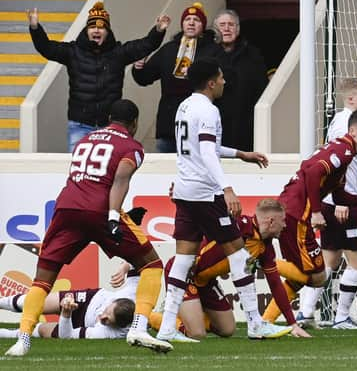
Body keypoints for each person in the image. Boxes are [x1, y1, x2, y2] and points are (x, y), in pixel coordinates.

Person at [4, 99, 172, 356]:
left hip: (66, 208)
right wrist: (114, 214)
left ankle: (23, 339)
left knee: (42, 281)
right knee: (152, 265)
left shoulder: (85, 139)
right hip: (99, 211)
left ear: (109, 118)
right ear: (135, 123)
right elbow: (121, 177)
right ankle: (138, 327)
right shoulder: (131, 146)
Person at [155, 58, 292, 342]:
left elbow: (206, 146)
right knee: (239, 254)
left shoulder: (185, 106)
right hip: (205, 192)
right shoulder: (209, 110)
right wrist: (226, 188)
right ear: (211, 82)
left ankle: (168, 326)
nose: (224, 82)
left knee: (183, 259)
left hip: (184, 190)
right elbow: (206, 152)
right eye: (221, 78)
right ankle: (256, 323)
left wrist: (242, 154)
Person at [261, 109, 357, 327]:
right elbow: (313, 174)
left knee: (307, 274)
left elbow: (339, 194)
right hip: (297, 213)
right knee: (312, 274)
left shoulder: (343, 152)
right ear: (352, 131)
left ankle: (267, 321)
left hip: (291, 209)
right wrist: (315, 211)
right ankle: (258, 260)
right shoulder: (344, 152)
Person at [151, 199, 311, 339]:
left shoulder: (265, 247)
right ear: (270, 221)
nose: (285, 225)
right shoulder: (237, 227)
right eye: (283, 221)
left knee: (227, 330)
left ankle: (192, 314)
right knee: (197, 334)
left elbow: (275, 284)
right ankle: (153, 317)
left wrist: (293, 324)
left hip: (206, 281)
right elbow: (204, 224)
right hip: (186, 275)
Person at [28, 2, 170, 151]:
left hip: (110, 126)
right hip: (79, 125)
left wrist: (158, 31)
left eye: (101, 27)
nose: (96, 30)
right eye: (92, 27)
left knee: (108, 167)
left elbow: (145, 45)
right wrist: (35, 28)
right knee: (78, 166)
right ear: (87, 30)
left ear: (107, 31)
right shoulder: (73, 51)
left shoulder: (118, 52)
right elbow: (46, 48)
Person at [296, 78, 357, 330]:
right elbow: (336, 167)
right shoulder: (346, 124)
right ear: (350, 99)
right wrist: (341, 200)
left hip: (336, 199)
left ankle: (306, 311)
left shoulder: (342, 122)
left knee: (329, 260)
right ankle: (341, 316)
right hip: (340, 203)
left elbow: (344, 166)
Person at [132, 2, 222, 153]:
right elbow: (145, 78)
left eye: (196, 20)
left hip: (198, 123)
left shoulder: (213, 50)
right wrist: (138, 68)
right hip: (169, 123)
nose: (191, 23)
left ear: (203, 26)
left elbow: (219, 84)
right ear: (182, 24)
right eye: (187, 19)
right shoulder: (169, 49)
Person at [0, 262, 138, 339]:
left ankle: (7, 334)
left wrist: (66, 314)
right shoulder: (132, 293)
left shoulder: (107, 333)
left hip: (81, 323)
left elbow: (67, 336)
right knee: (33, 303)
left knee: (42, 330)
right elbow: (138, 259)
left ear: (118, 325)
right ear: (115, 301)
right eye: (107, 310)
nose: (101, 316)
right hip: (89, 299)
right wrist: (124, 267)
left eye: (106, 320)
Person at [212, 9, 269, 152]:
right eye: (222, 25)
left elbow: (262, 89)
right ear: (215, 30)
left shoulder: (253, 54)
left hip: (245, 126)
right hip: (215, 124)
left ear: (237, 29)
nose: (226, 28)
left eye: (231, 25)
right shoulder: (208, 54)